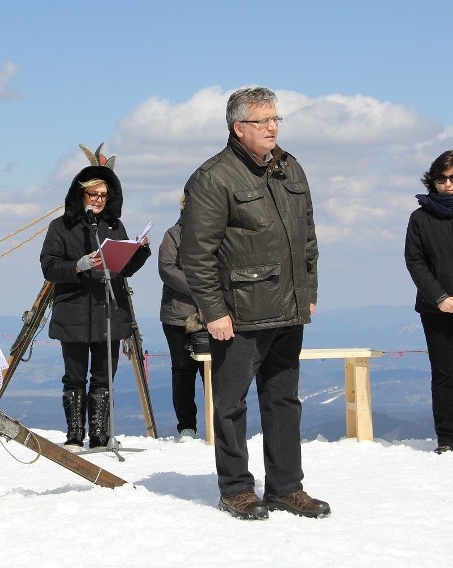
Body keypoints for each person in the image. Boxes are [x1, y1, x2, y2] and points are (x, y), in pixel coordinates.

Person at [179, 87, 330, 520]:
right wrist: (214, 312)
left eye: (275, 120)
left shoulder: (291, 168)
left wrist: (309, 292)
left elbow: (308, 239)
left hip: (288, 307)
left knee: (284, 401)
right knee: (231, 404)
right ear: (238, 127)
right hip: (239, 314)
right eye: (262, 122)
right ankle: (236, 490)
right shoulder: (213, 177)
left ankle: (286, 487)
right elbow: (197, 255)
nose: (272, 128)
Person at [40, 153, 150, 451]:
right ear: (81, 193)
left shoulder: (114, 227)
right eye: (93, 194)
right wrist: (78, 265)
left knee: (104, 376)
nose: (99, 200)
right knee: (75, 376)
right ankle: (75, 436)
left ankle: (100, 436)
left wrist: (138, 251)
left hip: (108, 311)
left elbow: (123, 269)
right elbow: (49, 267)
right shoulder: (60, 227)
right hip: (73, 310)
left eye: (104, 195)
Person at [404, 150, 453, 455]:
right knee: (445, 371)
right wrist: (441, 298)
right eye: (442, 178)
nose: (448, 184)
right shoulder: (420, 217)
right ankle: (447, 439)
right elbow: (415, 260)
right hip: (436, 308)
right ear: (433, 181)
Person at [158, 194, 205, 440]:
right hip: (178, 315)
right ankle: (186, 425)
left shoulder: (219, 231)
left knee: (215, 371)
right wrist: (202, 287)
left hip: (213, 314)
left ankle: (220, 421)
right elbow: (167, 269)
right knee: (183, 370)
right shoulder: (172, 235)